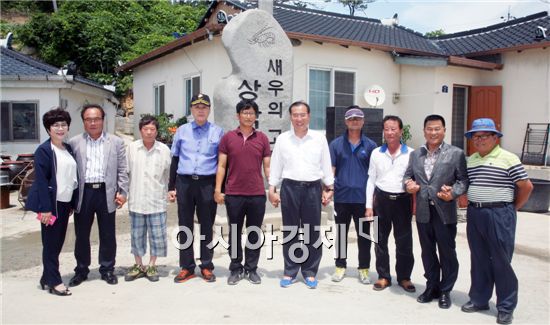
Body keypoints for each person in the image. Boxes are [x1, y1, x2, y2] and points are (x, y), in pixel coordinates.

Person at [460, 118, 533, 325]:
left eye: (484, 136)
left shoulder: (508, 158)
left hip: (500, 214)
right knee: (479, 259)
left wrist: (512, 208)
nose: (480, 140)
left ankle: (505, 307)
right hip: (475, 214)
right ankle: (479, 299)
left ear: (495, 137)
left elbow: (526, 187)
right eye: (476, 136)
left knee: (501, 261)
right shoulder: (472, 160)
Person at [403, 114, 468, 308]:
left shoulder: (456, 153)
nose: (433, 132)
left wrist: (454, 192)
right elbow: (408, 177)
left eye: (437, 129)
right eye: (429, 129)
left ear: (444, 130)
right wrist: (409, 185)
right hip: (423, 211)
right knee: (428, 251)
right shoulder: (416, 154)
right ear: (424, 131)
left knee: (447, 252)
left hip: (445, 211)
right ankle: (432, 286)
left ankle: (445, 290)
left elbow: (463, 180)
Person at [268, 100, 334, 289]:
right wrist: (272, 188)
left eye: (302, 115)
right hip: (289, 188)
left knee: (312, 231)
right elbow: (276, 165)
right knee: (290, 231)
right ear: (291, 117)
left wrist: (330, 188)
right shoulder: (283, 139)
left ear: (309, 116)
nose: (299, 119)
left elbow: (325, 164)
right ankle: (290, 270)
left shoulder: (319, 138)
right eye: (295, 115)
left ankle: (310, 271)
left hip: (313, 188)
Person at [68, 104, 129, 286]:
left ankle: (107, 269)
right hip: (84, 193)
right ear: (84, 122)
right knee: (82, 234)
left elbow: (122, 170)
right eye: (88, 119)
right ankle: (81, 270)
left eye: (96, 119)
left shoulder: (115, 142)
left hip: (106, 192)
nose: (93, 123)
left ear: (103, 120)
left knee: (108, 234)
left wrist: (123, 192)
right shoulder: (74, 142)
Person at [214, 99, 271, 285]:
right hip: (234, 194)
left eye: (252, 113)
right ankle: (236, 268)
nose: (248, 116)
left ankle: (251, 269)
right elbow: (221, 166)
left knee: (254, 233)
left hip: (256, 194)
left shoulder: (262, 138)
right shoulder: (228, 138)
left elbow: (267, 166)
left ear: (256, 116)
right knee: (235, 232)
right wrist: (218, 190)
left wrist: (272, 188)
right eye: (245, 113)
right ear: (238, 115)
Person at [168, 93, 224, 283]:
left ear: (209, 110)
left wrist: (219, 188)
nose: (200, 110)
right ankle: (187, 267)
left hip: (207, 183)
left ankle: (207, 265)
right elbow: (175, 159)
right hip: (185, 183)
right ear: (191, 109)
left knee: (207, 225)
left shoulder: (218, 132)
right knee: (185, 225)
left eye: (204, 107)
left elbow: (222, 163)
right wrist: (171, 186)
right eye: (197, 107)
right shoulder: (182, 131)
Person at [26, 108, 78, 296]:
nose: (60, 128)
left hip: (64, 203)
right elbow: (41, 181)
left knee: (57, 242)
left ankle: (45, 278)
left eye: (63, 124)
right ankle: (55, 281)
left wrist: (71, 202)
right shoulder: (44, 150)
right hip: (50, 205)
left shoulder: (67, 148)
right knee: (51, 244)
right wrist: (46, 209)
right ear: (48, 129)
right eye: (55, 125)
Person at [366, 115, 416, 292]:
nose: (390, 132)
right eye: (386, 129)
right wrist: (368, 206)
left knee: (404, 242)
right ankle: (383, 276)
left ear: (401, 131)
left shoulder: (411, 153)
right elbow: (371, 180)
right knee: (380, 241)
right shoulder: (376, 153)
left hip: (402, 201)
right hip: (381, 201)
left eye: (393, 128)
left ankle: (404, 277)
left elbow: (415, 179)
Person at [328, 106, 376, 284]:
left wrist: (372, 201)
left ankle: (364, 269)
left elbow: (374, 174)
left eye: (358, 118)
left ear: (363, 121)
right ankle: (340, 266)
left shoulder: (371, 146)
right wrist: (328, 191)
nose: (354, 121)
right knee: (340, 234)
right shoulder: (335, 144)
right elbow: (331, 170)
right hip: (342, 198)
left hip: (363, 200)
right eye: (351, 118)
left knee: (364, 236)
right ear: (346, 121)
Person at [125, 115, 171, 282]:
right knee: (137, 235)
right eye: (146, 129)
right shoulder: (131, 148)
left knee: (157, 235)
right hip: (137, 199)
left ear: (157, 131)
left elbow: (168, 174)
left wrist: (169, 191)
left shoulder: (164, 150)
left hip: (157, 200)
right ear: (140, 130)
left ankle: (152, 265)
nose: (149, 132)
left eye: (152, 129)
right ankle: (138, 264)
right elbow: (126, 173)